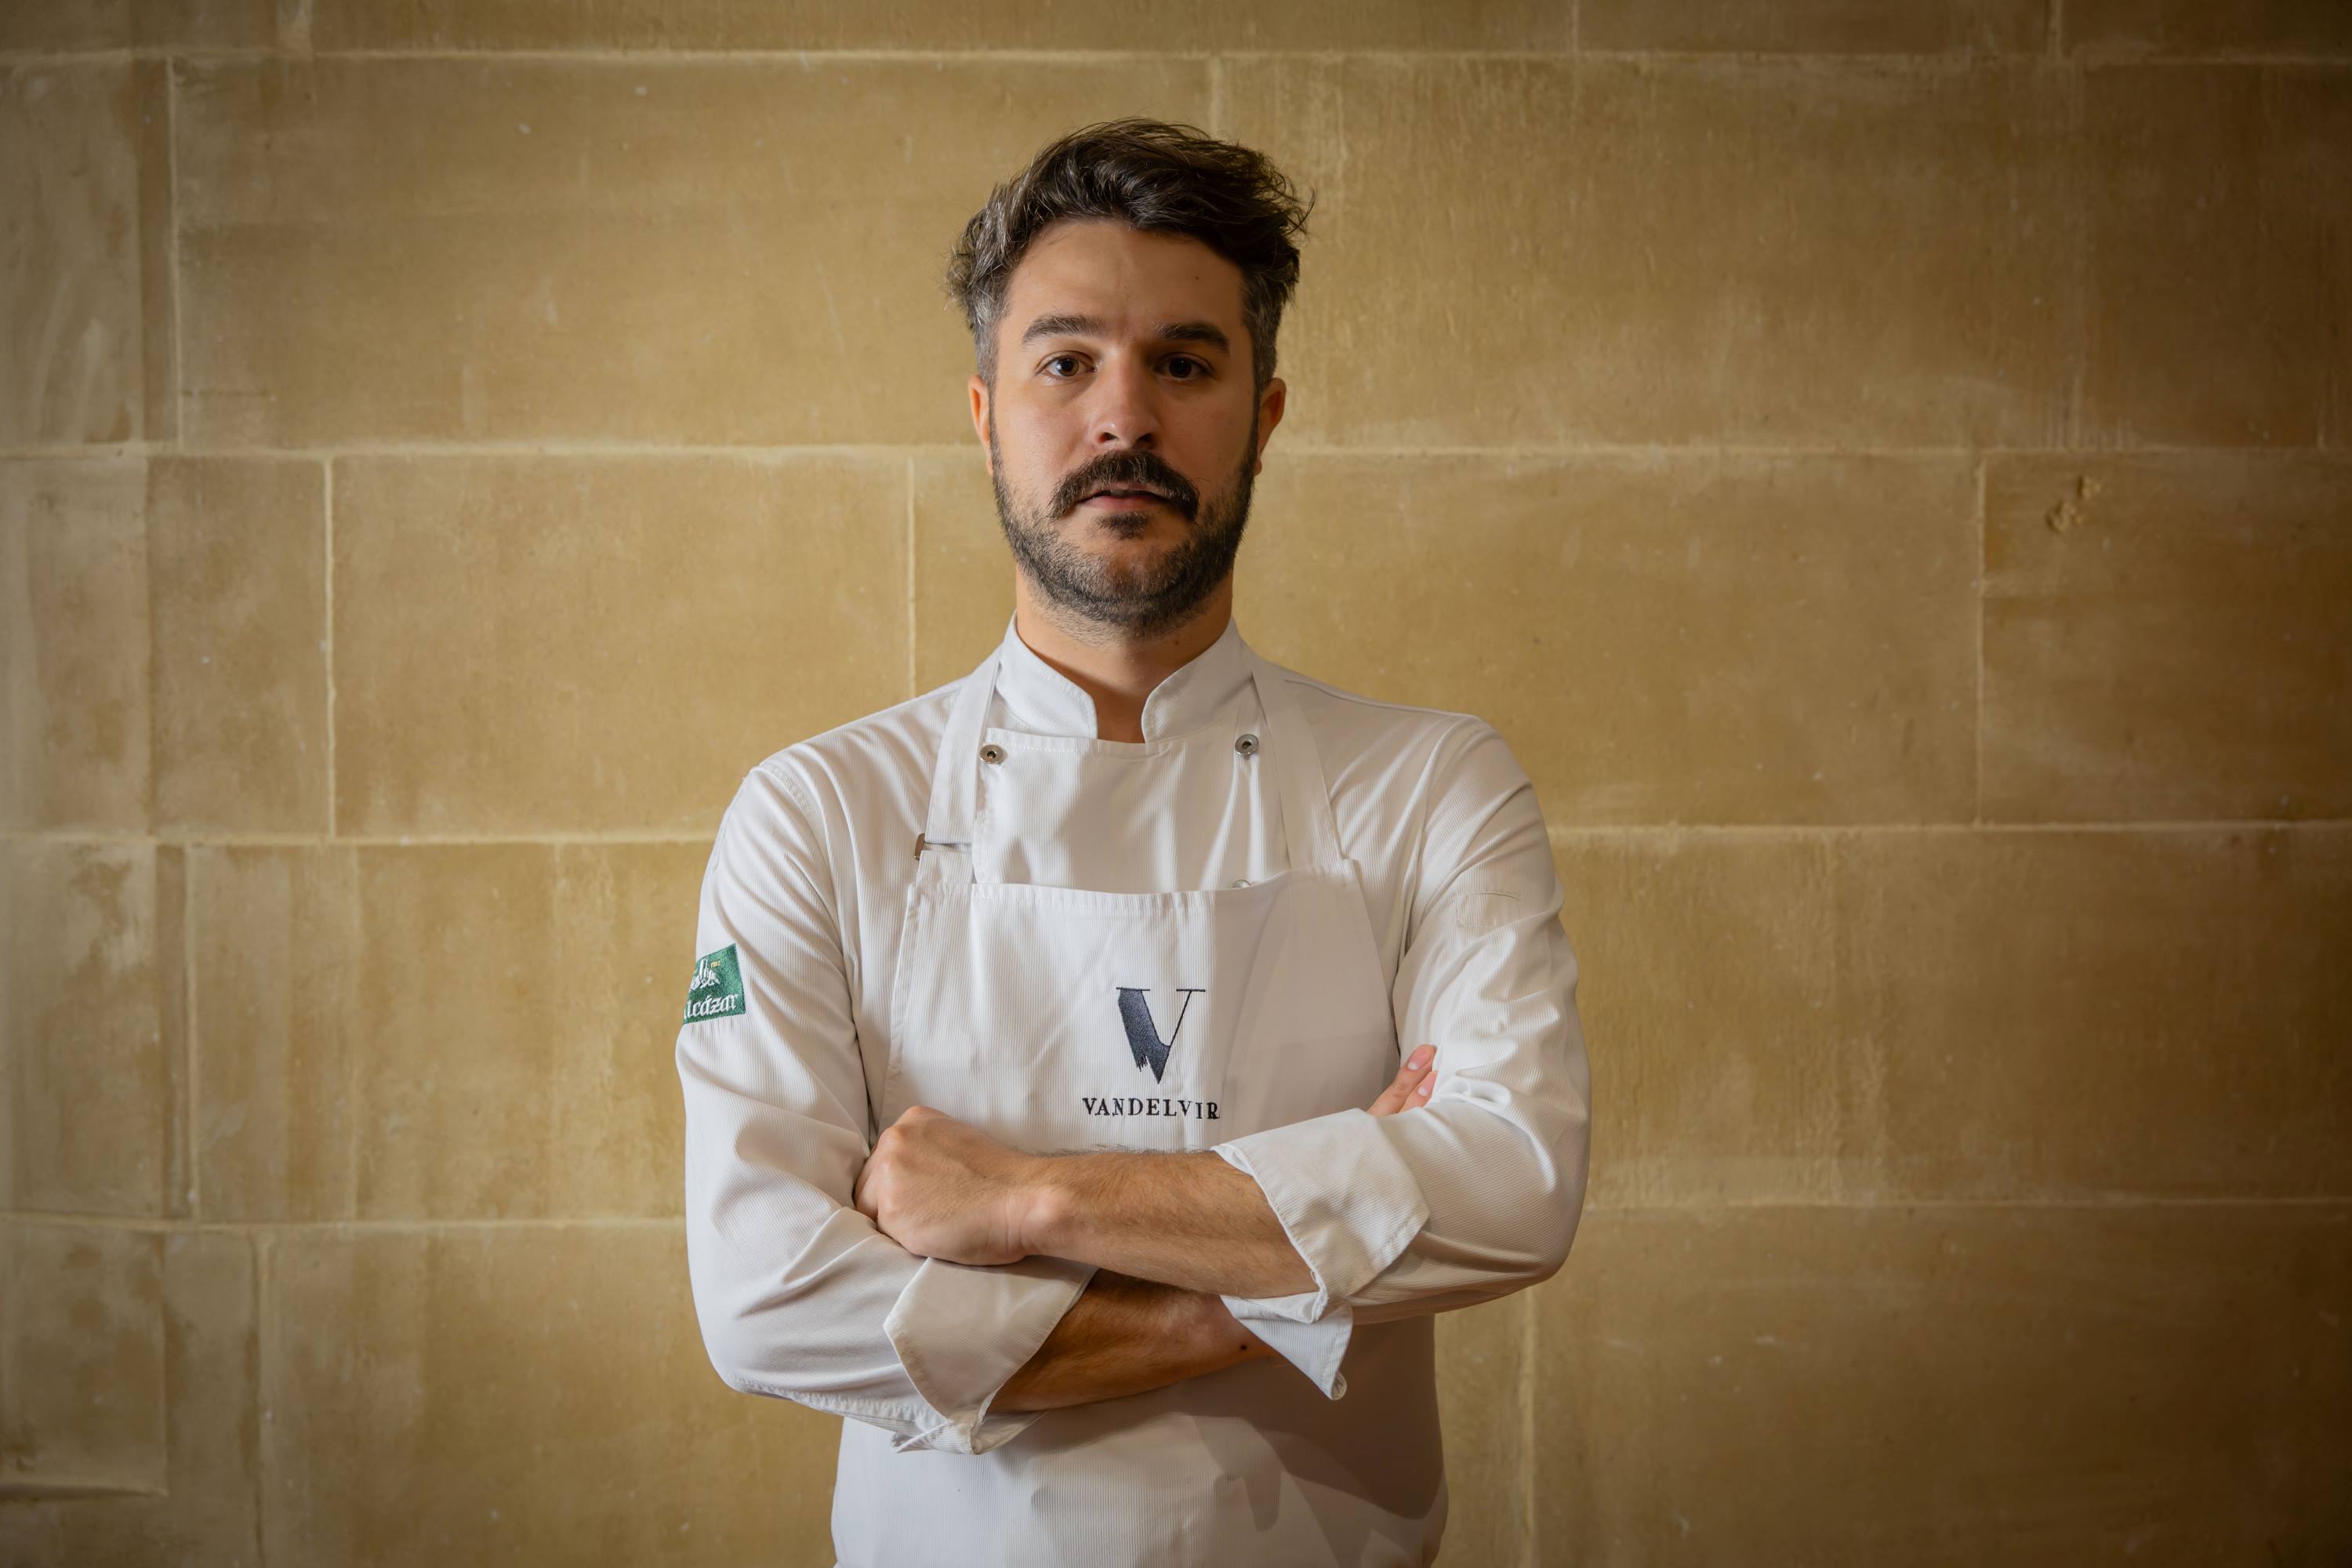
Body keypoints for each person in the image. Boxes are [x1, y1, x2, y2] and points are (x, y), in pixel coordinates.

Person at [674, 118, 1592, 1567]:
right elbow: (767, 1297)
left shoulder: (1430, 784)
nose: (1125, 418)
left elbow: (1517, 1186)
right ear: (984, 410)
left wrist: (1030, 1198)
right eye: (1065, 362)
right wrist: (1260, 1292)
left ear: (1265, 413)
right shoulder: (818, 812)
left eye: (1183, 362)